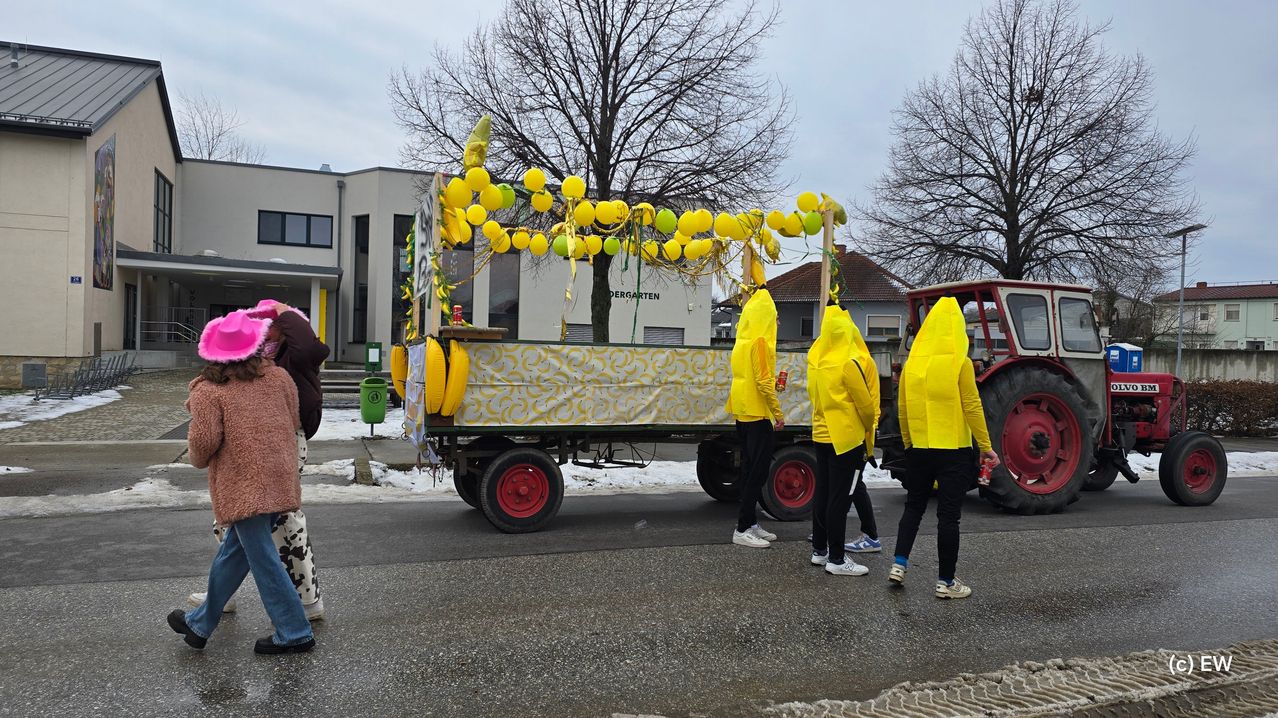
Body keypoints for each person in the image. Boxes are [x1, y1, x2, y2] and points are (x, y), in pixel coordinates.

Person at [167, 310, 315, 654]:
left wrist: (199, 459)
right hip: (278, 476)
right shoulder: (278, 378)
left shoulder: (209, 390)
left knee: (262, 558)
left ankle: (295, 631)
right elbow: (292, 419)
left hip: (243, 483)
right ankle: (200, 624)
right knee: (234, 554)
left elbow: (203, 444)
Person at [890, 297, 1000, 599]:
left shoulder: (913, 365)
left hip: (920, 448)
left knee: (914, 506)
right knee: (948, 517)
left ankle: (899, 564)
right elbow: (972, 406)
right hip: (952, 450)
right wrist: (986, 446)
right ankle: (946, 581)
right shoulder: (960, 363)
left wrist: (909, 442)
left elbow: (902, 408)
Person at [806, 303, 877, 575]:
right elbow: (867, 406)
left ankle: (820, 551)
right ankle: (837, 559)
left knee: (822, 494)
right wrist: (867, 428)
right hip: (846, 438)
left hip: (821, 434)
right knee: (840, 498)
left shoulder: (816, 360)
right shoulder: (848, 362)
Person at [725, 265, 784, 548]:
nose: (777, 321)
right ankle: (742, 528)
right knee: (756, 473)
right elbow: (763, 383)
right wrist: (778, 412)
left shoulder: (742, 340)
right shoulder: (760, 341)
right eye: (774, 317)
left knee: (750, 469)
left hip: (743, 411)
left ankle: (749, 523)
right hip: (758, 414)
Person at [843, 307, 883, 554]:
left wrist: (868, 430)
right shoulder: (859, 358)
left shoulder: (857, 361)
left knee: (853, 486)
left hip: (861, 431)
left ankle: (871, 535)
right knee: (851, 485)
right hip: (861, 428)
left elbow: (867, 405)